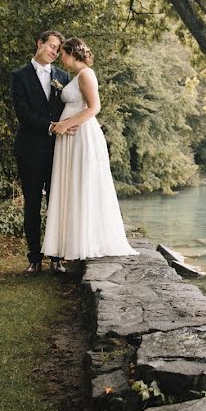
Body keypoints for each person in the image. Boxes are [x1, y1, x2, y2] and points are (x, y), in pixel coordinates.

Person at [42, 37, 138, 260]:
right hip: (70, 137)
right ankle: (71, 243)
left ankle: (85, 242)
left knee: (82, 183)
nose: (60, 58)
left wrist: (65, 124)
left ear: (72, 53)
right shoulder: (77, 76)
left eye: (63, 53)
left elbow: (94, 108)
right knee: (72, 184)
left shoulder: (86, 74)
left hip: (81, 135)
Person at [11, 30, 73, 275]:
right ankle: (34, 258)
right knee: (33, 204)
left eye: (58, 49)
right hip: (29, 148)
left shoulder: (63, 76)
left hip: (58, 150)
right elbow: (23, 113)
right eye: (51, 46)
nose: (54, 52)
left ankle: (56, 259)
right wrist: (49, 127)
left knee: (56, 204)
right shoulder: (20, 76)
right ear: (39, 44)